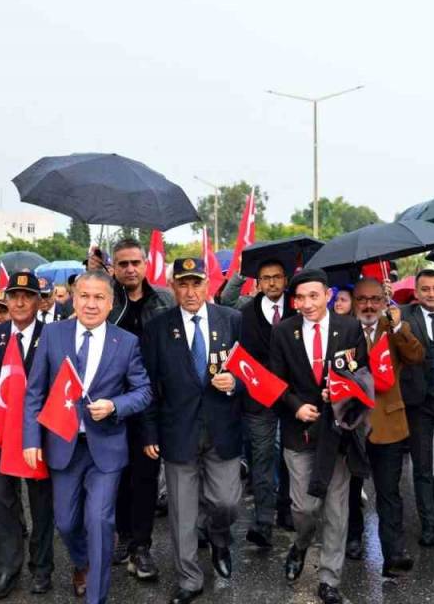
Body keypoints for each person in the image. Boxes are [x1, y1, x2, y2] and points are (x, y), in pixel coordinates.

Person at [22, 269, 153, 604]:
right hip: (63, 447)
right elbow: (35, 392)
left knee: (99, 520)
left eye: (99, 298)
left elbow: (143, 392)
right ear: (74, 298)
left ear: (110, 304)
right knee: (65, 523)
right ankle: (82, 563)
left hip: (106, 450)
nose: (91, 304)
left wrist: (115, 405)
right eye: (84, 296)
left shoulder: (126, 342)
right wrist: (31, 440)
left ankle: (96, 595)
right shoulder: (53, 335)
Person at [141, 258, 244, 604]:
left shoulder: (231, 321)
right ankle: (189, 578)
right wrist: (150, 433)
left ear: (208, 285)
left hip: (222, 430)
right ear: (173, 287)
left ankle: (218, 537)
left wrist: (236, 382)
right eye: (182, 284)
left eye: (196, 283)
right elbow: (150, 387)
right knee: (182, 513)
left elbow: (251, 371)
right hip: (177, 432)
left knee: (227, 502)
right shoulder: (158, 328)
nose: (190, 291)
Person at [270, 269, 369, 604]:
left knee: (337, 509)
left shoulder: (350, 328)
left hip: (337, 431)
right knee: (304, 508)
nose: (307, 303)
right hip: (300, 433)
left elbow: (363, 376)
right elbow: (276, 381)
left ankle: (329, 579)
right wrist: (296, 406)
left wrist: (342, 393)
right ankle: (299, 545)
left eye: (314, 296)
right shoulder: (284, 332)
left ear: (328, 295)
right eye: (300, 297)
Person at [98, 238, 174, 578]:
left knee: (145, 477)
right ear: (114, 266)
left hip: (151, 405)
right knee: (116, 476)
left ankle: (140, 546)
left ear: (146, 264)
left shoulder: (164, 301)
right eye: (123, 263)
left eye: (135, 263)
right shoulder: (106, 300)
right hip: (110, 403)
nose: (130, 269)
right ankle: (123, 534)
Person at [0, 271, 56, 597]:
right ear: (6, 300)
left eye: (27, 295)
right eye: (13, 295)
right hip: (0, 437)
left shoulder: (54, 337)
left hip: (39, 438)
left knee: (41, 505)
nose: (20, 301)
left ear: (39, 301)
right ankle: (7, 567)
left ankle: (41, 567)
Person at [345, 277, 424, 577]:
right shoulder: (342, 328)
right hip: (351, 423)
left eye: (375, 299)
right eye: (362, 299)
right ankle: (354, 538)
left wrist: (400, 327)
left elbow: (417, 356)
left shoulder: (393, 329)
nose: (368, 305)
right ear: (355, 301)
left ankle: (394, 553)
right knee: (352, 489)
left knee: (389, 492)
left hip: (388, 422)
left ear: (383, 301)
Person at [218, 259, 296, 545]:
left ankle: (286, 509)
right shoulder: (245, 312)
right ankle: (263, 521)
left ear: (286, 280)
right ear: (258, 282)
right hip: (257, 398)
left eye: (277, 277)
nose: (272, 283)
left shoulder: (298, 307)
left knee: (290, 457)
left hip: (292, 397)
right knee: (262, 459)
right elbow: (224, 300)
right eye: (266, 278)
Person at [399, 268, 434, 547]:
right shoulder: (403, 316)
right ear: (417, 292)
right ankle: (428, 523)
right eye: (425, 289)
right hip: (417, 402)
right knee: (421, 466)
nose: (431, 294)